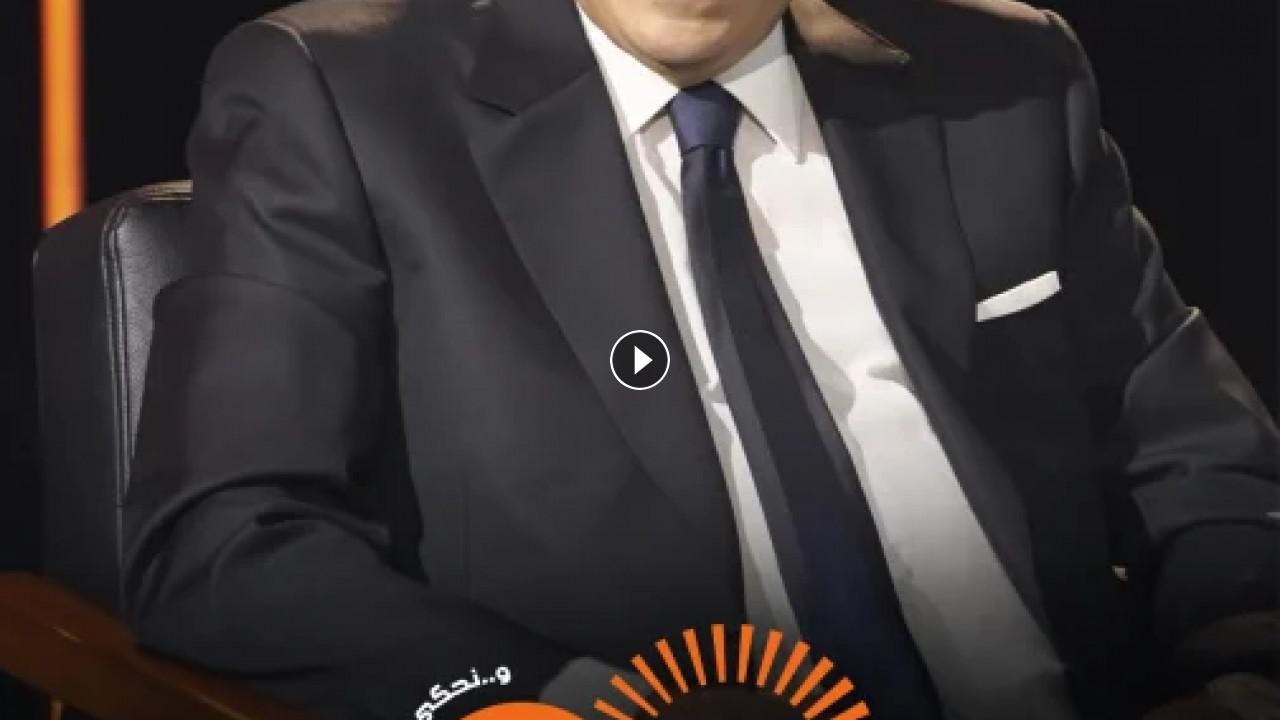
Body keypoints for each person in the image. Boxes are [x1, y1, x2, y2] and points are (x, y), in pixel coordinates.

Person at [122, 0, 1280, 718]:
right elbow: (227, 539)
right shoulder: (337, 92)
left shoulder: (1008, 76)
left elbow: (1200, 458)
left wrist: (1238, 682)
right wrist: (544, 704)